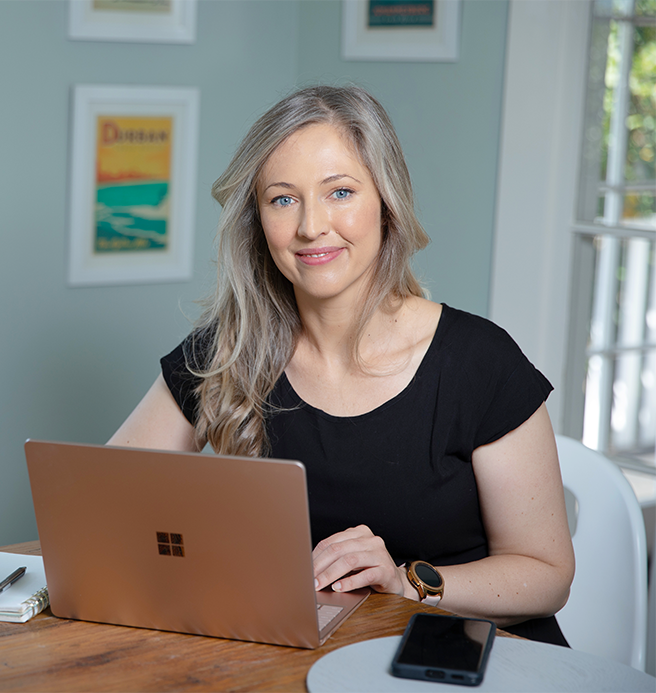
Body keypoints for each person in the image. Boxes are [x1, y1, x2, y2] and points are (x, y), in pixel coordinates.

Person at [108, 85, 575, 646]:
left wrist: (408, 583)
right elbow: (104, 508)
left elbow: (546, 576)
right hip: (306, 655)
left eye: (340, 192)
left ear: (386, 202)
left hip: (466, 659)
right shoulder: (229, 352)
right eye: (283, 199)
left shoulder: (479, 360)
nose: (311, 226)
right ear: (257, 223)